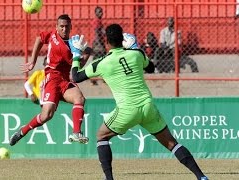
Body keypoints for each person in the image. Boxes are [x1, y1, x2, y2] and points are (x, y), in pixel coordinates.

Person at [69, 24, 208, 180]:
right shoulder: (137, 54)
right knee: (172, 143)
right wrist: (135, 47)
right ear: (123, 39)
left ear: (106, 42)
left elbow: (76, 77)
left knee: (101, 136)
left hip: (127, 109)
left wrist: (75, 55)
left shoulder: (102, 63)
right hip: (147, 106)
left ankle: (109, 178)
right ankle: (201, 176)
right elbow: (151, 68)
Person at [9, 14, 89, 146]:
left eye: (66, 26)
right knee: (46, 116)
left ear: (71, 27)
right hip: (51, 78)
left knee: (79, 99)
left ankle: (76, 132)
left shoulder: (71, 44)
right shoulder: (56, 39)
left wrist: (86, 52)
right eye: (61, 26)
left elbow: (78, 65)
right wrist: (33, 61)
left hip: (64, 80)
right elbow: (39, 39)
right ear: (56, 27)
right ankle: (22, 131)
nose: (64, 29)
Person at [90, 6, 106, 85]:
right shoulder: (97, 21)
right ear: (95, 13)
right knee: (103, 61)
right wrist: (100, 44)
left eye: (101, 11)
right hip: (98, 45)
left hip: (98, 44)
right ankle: (98, 78)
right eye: (99, 12)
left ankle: (95, 79)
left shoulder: (99, 21)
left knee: (98, 62)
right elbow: (97, 33)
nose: (101, 13)